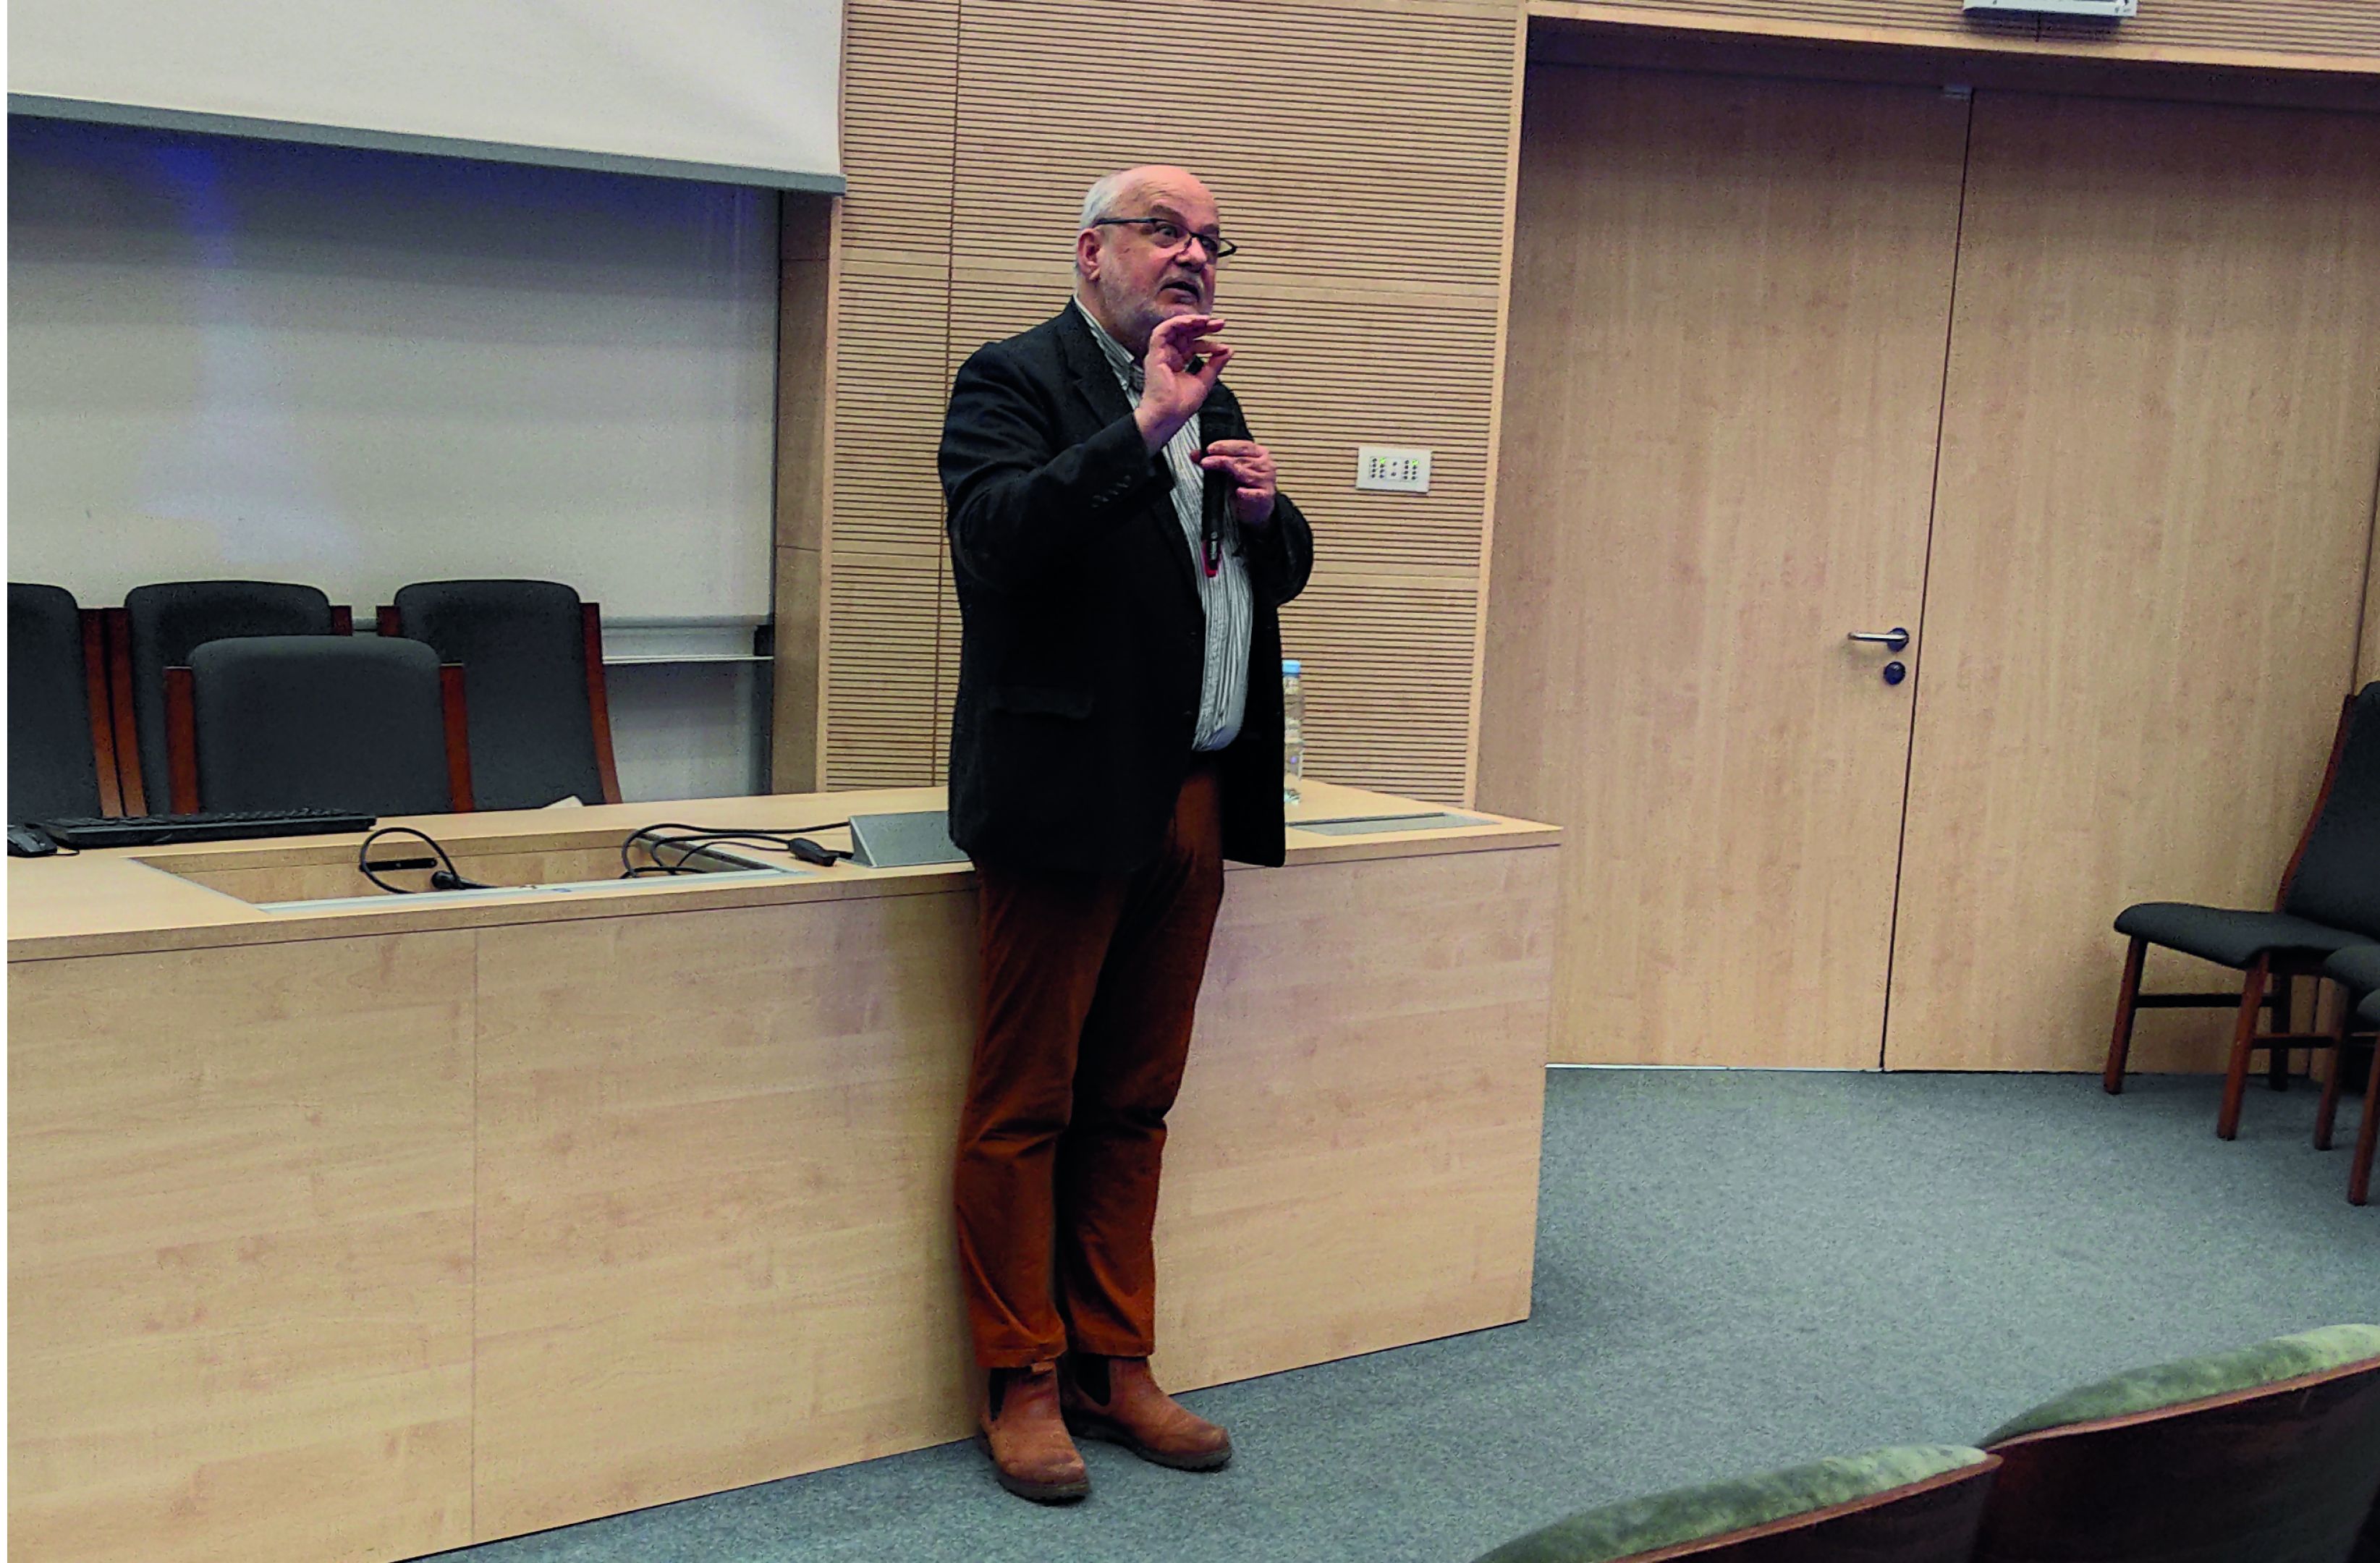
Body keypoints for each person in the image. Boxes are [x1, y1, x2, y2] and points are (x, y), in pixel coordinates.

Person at [937, 164, 1316, 1503]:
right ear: (1090, 250)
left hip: (1193, 794)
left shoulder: (1208, 382)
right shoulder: (1013, 378)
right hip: (1065, 794)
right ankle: (1022, 1379)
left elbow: (1261, 571)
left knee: (1134, 1101)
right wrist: (1148, 423)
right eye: (1164, 230)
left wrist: (1266, 515)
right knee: (1025, 1104)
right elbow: (997, 543)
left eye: (1211, 237)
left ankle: (1112, 1361)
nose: (1193, 253)